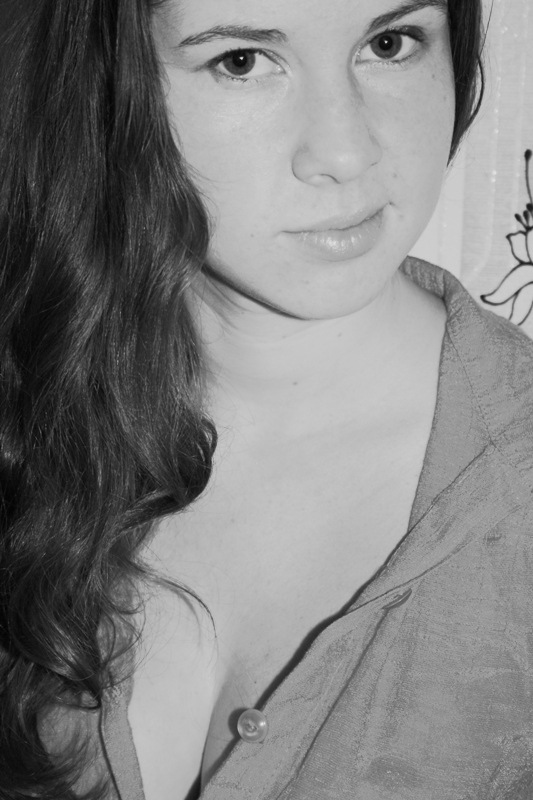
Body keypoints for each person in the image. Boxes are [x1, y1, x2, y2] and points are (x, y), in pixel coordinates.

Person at [2, 0, 533, 798]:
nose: (345, 152)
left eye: (390, 44)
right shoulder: (28, 407)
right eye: (241, 61)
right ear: (102, 82)